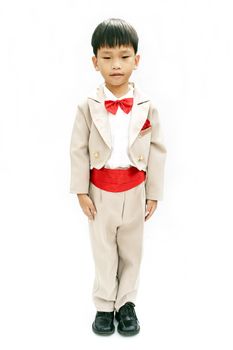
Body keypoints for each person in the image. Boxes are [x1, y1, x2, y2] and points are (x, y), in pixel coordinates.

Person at [70, 18, 166, 336]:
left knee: (132, 250)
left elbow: (157, 151)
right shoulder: (87, 107)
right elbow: (78, 149)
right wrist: (81, 191)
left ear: (136, 61)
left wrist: (153, 193)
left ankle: (126, 304)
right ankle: (103, 305)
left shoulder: (147, 107)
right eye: (107, 57)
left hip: (135, 189)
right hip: (100, 191)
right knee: (103, 250)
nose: (116, 65)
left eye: (124, 57)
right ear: (95, 61)